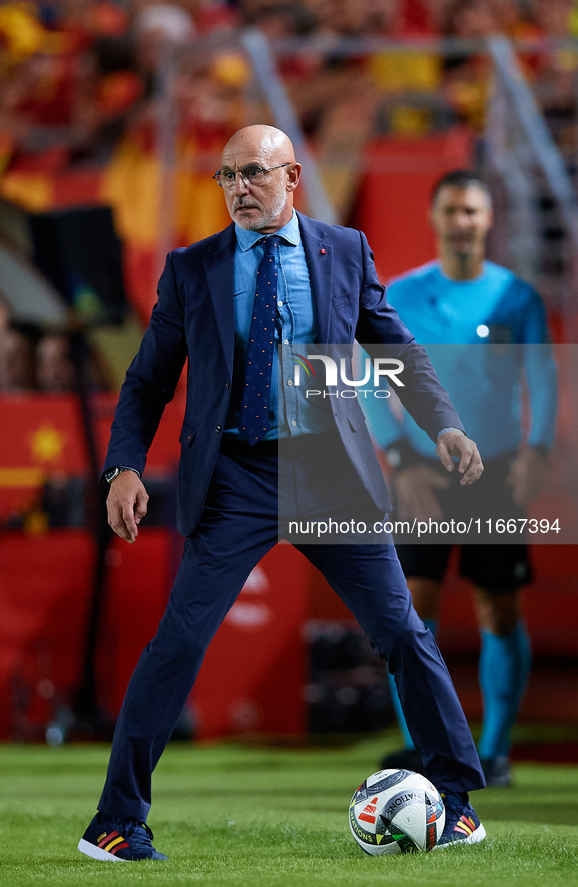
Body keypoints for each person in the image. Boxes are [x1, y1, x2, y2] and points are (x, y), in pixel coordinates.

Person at [78, 125, 487, 863]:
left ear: (291, 175)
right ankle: (114, 821)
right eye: (227, 176)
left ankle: (456, 801)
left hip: (331, 473)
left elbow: (394, 348)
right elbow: (145, 383)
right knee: (179, 640)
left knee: (400, 631)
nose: (239, 188)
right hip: (235, 477)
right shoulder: (191, 268)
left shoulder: (344, 250)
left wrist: (445, 426)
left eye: (253, 174)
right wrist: (122, 467)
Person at [365, 170, 557, 788]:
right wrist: (396, 457)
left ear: (488, 218)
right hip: (422, 472)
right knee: (408, 610)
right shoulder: (401, 295)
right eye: (451, 210)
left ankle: (494, 752)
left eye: (471, 210)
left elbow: (545, 380)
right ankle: (426, 749)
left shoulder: (516, 298)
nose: (462, 222)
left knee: (497, 609)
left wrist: (538, 449)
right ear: (434, 216)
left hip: (495, 472)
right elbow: (371, 379)